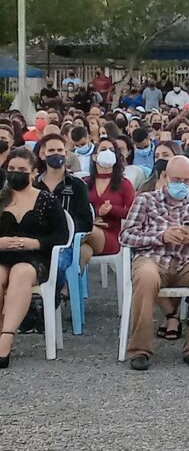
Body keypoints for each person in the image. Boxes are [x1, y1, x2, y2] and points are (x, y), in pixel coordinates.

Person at [119, 156, 189, 370]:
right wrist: (161, 236)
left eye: (187, 181)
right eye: (177, 180)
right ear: (166, 177)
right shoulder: (146, 200)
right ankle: (140, 350)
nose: (182, 186)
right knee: (146, 277)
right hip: (152, 258)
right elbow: (126, 236)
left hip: (186, 260)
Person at [0, 148, 69, 368]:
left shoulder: (47, 200)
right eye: (11, 169)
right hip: (2, 255)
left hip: (35, 258)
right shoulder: (0, 199)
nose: (15, 173)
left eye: (21, 170)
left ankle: (6, 338)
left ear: (33, 172)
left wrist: (36, 243)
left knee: (21, 272)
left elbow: (62, 234)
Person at [35, 134, 97, 269]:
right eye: (51, 151)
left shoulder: (77, 185)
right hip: (37, 242)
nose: (56, 154)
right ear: (42, 154)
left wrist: (62, 231)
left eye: (60, 150)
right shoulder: (34, 185)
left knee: (57, 265)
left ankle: (60, 290)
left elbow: (86, 222)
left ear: (66, 153)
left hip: (66, 244)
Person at [86, 138, 136, 256]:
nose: (107, 152)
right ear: (94, 156)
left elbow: (133, 213)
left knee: (85, 230)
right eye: (103, 149)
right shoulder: (85, 183)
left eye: (111, 150)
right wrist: (97, 212)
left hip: (113, 236)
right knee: (84, 251)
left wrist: (112, 210)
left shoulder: (124, 184)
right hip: (88, 235)